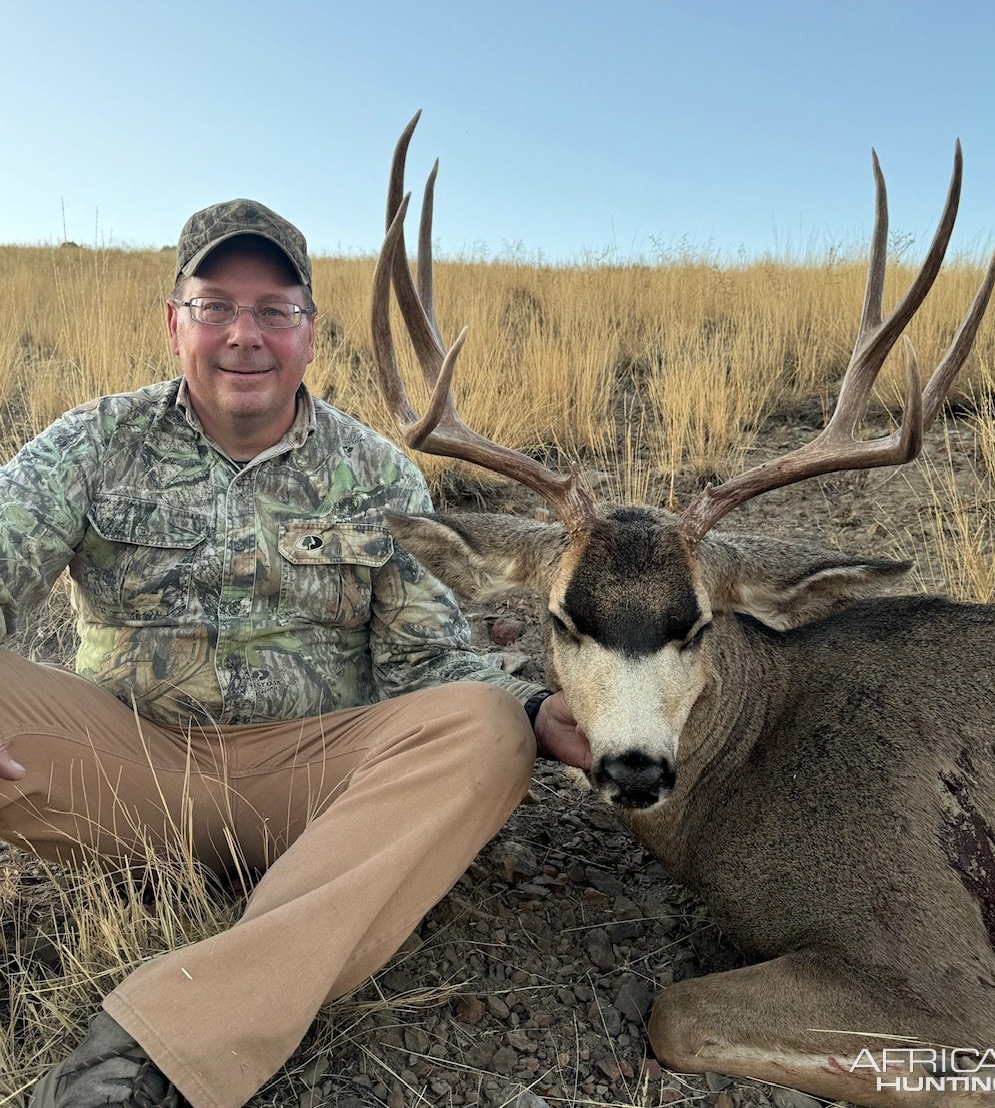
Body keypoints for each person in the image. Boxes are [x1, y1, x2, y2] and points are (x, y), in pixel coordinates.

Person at [0, 199, 589, 1108]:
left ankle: (153, 1051)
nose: (245, 335)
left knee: (486, 729)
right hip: (125, 778)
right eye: (216, 306)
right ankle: (305, 934)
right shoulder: (92, 442)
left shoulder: (381, 472)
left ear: (309, 334)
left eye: (274, 310)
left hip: (317, 794)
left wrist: (533, 710)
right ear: (174, 323)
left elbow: (428, 661)